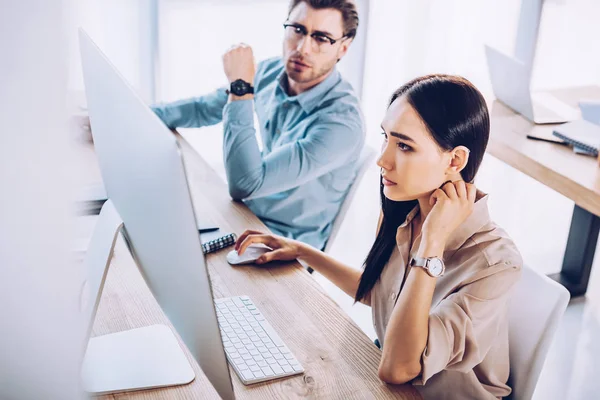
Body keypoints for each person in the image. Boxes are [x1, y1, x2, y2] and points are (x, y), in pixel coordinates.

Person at [234, 74, 523, 399]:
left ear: (454, 160)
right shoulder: (405, 212)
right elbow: (382, 292)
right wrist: (304, 252)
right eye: (386, 138)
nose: (382, 160)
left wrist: (432, 243)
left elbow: (399, 368)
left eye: (403, 145)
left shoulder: (496, 263)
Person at [151, 0, 365, 250]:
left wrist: (241, 88)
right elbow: (203, 108)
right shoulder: (271, 71)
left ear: (343, 48)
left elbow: (245, 184)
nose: (303, 48)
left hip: (283, 247)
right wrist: (132, 114)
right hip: (241, 215)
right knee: (151, 225)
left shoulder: (342, 124)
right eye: (297, 29)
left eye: (321, 38)